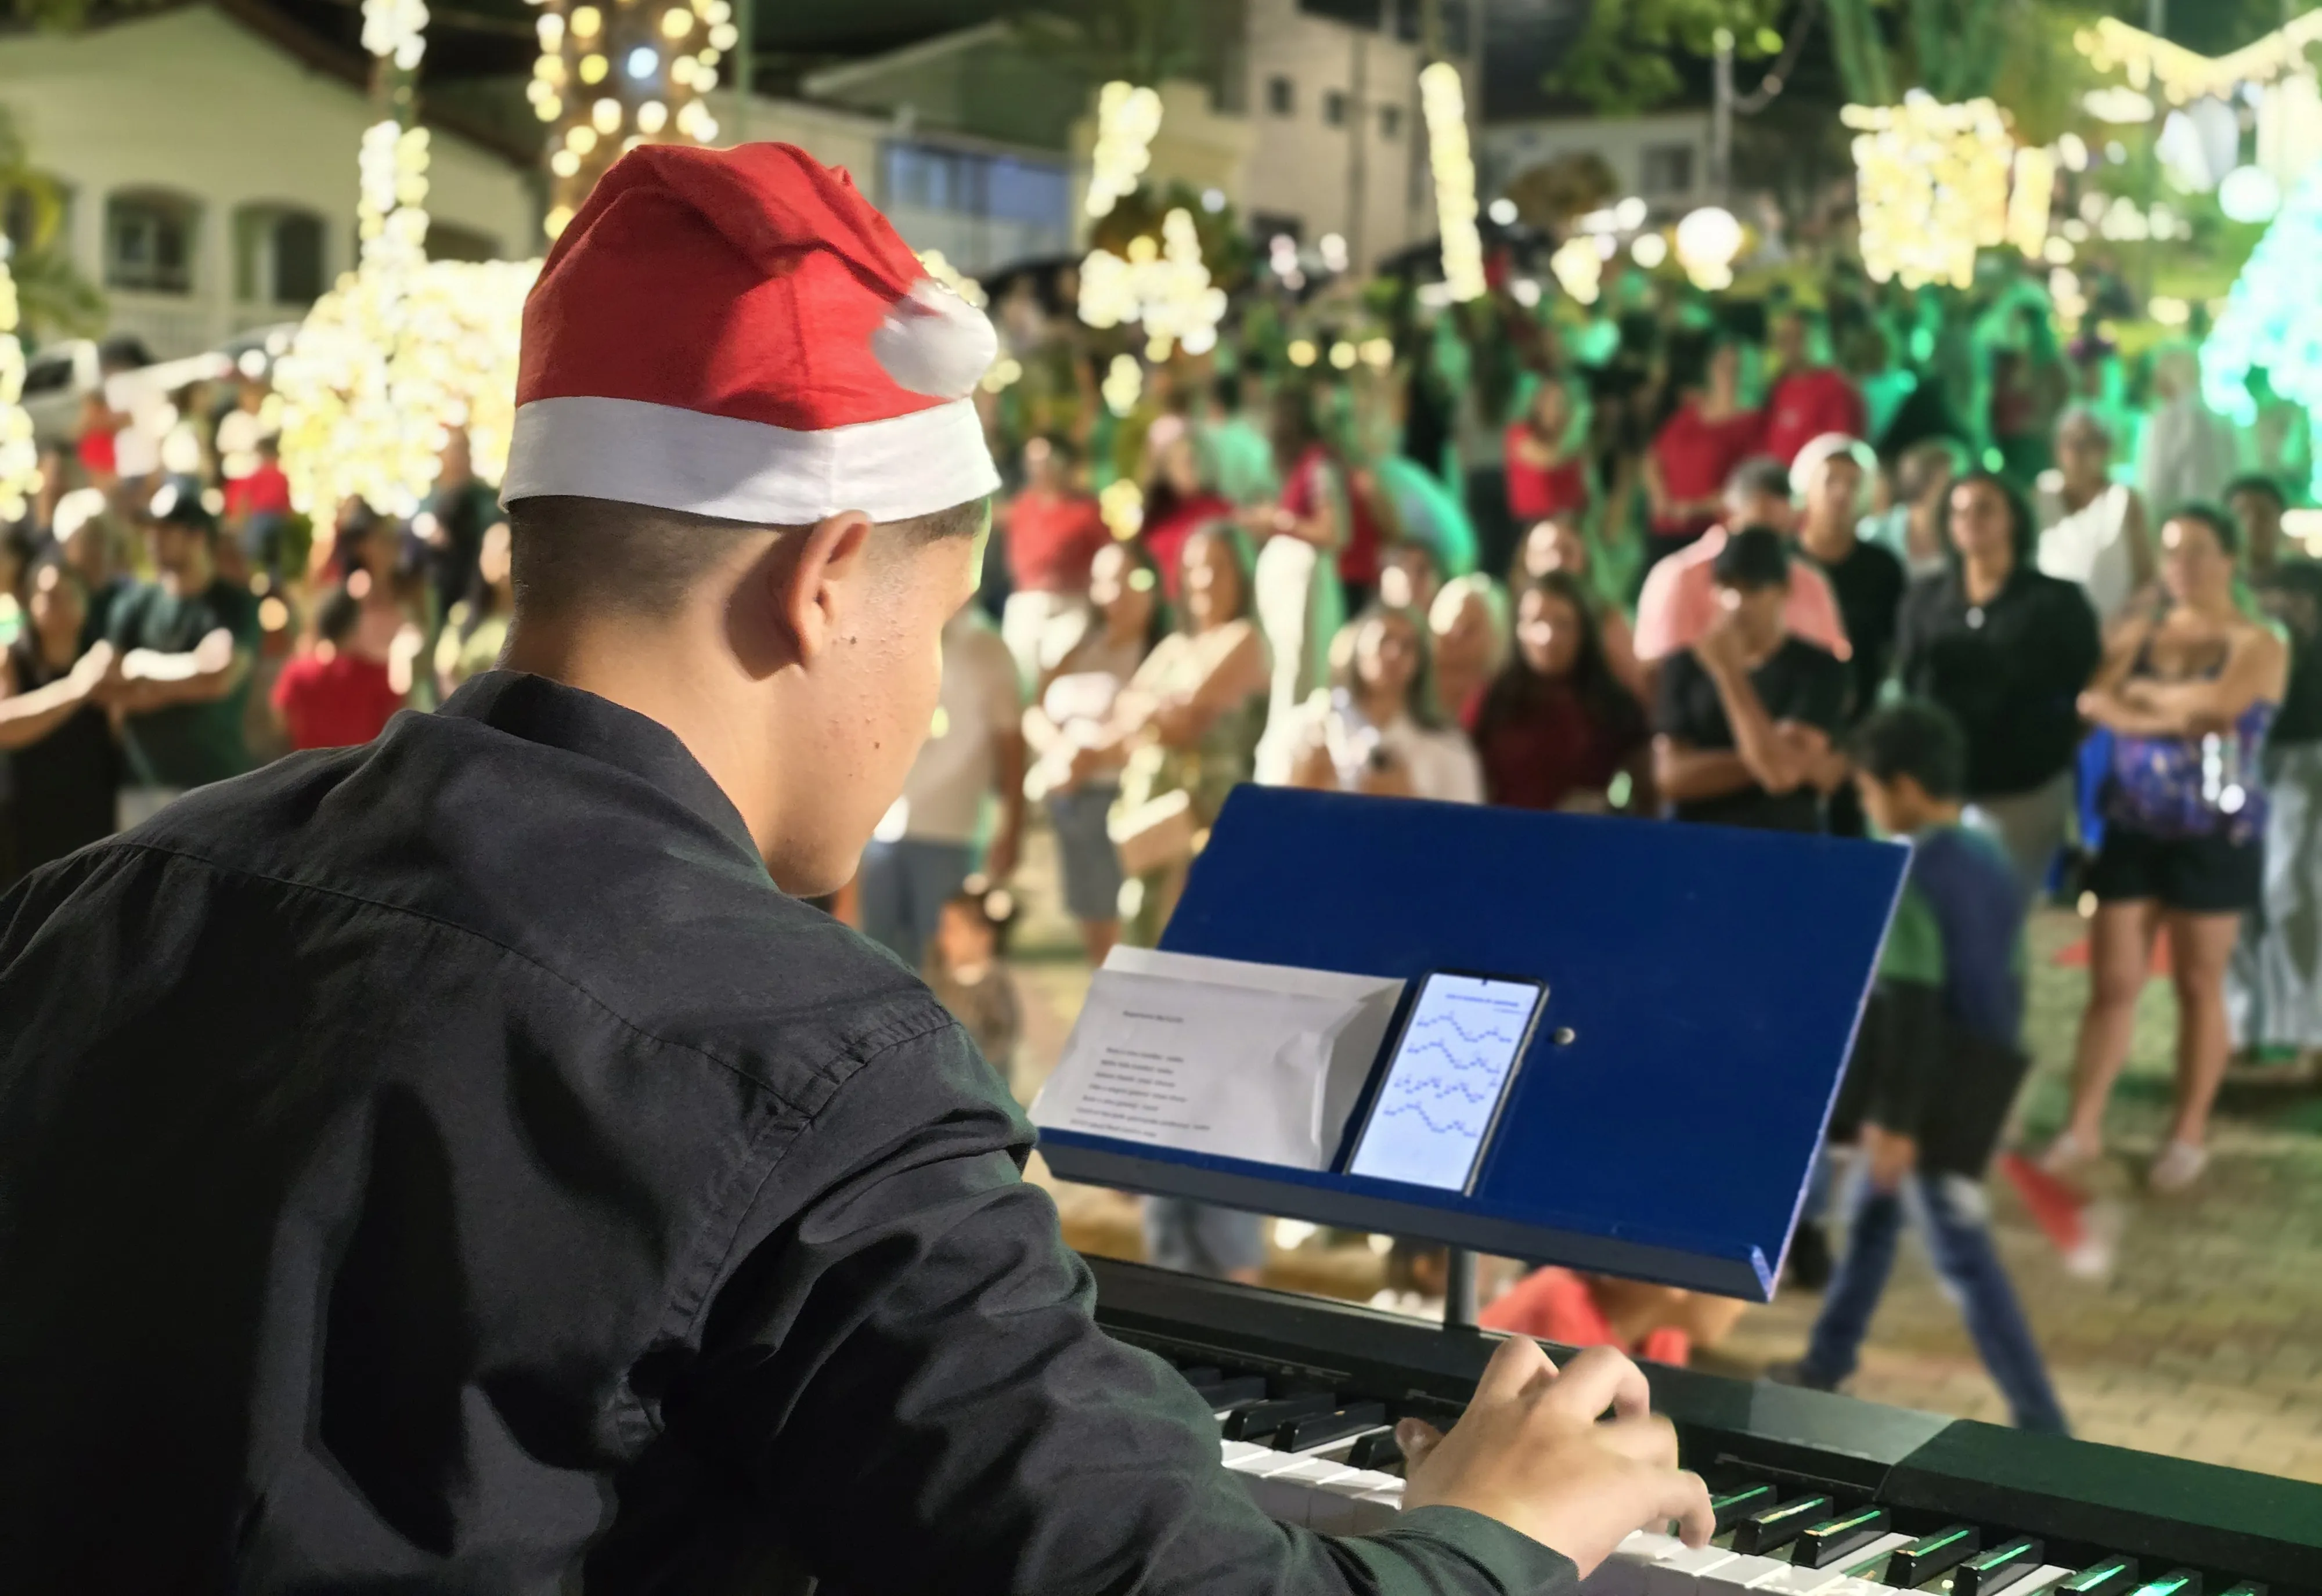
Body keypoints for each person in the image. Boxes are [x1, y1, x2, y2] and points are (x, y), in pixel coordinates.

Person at [0, 143, 1712, 1591]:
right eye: (946, 619)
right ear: (824, 580)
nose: (934, 697)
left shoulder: (103, 899)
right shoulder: (813, 1057)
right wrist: (1486, 1531)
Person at [1771, 700, 2069, 1434]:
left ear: (1902, 787)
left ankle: (2041, 1418)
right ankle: (1827, 1357)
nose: (1866, 803)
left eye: (1868, 789)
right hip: (1981, 1068)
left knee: (1960, 1250)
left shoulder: (1911, 872)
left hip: (1931, 1094)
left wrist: (1896, 1119)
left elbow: (1910, 1002)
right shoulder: (1987, 852)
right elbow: (2011, 971)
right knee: (1874, 1220)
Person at [2050, 505, 2289, 1193]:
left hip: (2215, 829)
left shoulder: (2258, 639)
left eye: (2197, 551)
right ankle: (2082, 1124)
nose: (2181, 566)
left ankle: (2187, 1132)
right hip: (2133, 822)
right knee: (2112, 980)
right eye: (2172, 551)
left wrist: (2137, 700)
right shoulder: (2141, 631)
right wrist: (2162, 706)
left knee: (2196, 981)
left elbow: (2218, 709)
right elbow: (2094, 701)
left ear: (2229, 559)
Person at [1894, 472, 2102, 910]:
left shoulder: (2055, 601)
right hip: (1940, 790)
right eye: (1959, 511)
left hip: (2023, 787)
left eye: (1985, 509)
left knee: (1994, 915)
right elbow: (1911, 687)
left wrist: (2054, 744)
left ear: (2014, 519)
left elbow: (2087, 687)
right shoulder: (1923, 601)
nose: (1971, 520)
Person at [859, 601, 1026, 974]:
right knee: (876, 954)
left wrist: (1014, 827)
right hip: (884, 829)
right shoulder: (895, 633)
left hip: (952, 832)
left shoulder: (987, 648)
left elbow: (1012, 745)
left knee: (940, 961)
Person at [1653, 528, 1850, 833]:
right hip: (1699, 838)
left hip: (1784, 840)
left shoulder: (1819, 669)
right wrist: (1794, 762)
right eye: (1726, 586)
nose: (1737, 602)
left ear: (1783, 591)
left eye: (1752, 588)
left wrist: (1729, 673)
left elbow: (1779, 774)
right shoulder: (1684, 665)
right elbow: (1671, 777)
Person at [1023, 539, 1161, 964]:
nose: (1116, 592)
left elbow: (1148, 725)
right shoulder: (1078, 646)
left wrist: (1091, 758)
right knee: (1091, 927)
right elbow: (1035, 711)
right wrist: (1061, 751)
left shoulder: (1158, 652)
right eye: (1105, 581)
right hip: (1069, 802)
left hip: (1118, 801)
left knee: (1122, 931)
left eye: (1127, 579)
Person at [2224, 475, 2322, 1066]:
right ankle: (2241, 1025)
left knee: (2291, 885)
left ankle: (2309, 1027)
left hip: (2304, 742)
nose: (2253, 524)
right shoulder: (2216, 585)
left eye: (2263, 512)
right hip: (2232, 747)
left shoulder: (2310, 579)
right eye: (2242, 512)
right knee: (2233, 888)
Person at [103, 481, 264, 827]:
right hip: (144, 792)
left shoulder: (235, 605)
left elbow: (219, 679)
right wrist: (191, 669)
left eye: (165, 529)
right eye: (150, 529)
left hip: (219, 789)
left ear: (198, 535)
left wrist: (141, 670)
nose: (152, 538)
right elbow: (108, 685)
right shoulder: (133, 606)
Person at [1634, 457, 1851, 673]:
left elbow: (1833, 670)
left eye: (1779, 533)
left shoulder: (1810, 583)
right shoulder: (1680, 577)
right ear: (1729, 514)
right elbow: (1662, 676)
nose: (1766, 547)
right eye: (1759, 531)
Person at [1470, 572, 1652, 814]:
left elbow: (1649, 793)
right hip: (1502, 831)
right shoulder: (1493, 701)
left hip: (1581, 834)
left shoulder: (1611, 704)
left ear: (1583, 631)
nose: (1548, 637)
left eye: (1563, 624)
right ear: (1517, 629)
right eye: (1535, 621)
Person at [1248, 388, 1349, 784]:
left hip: (1310, 595)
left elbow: (1334, 531)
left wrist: (1278, 521)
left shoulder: (1319, 466)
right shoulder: (1302, 470)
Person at [1285, 605, 1483, 804]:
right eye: (1384, 640)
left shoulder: (1447, 746)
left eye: (1407, 646)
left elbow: (1468, 821)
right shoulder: (1303, 730)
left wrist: (1408, 805)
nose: (1394, 653)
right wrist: (1301, 787)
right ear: (1357, 647)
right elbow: (1270, 809)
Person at [0, 556, 118, 886]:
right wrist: (76, 688)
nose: (59, 605)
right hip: (25, 819)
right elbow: (5, 725)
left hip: (89, 816)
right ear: (31, 602)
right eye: (49, 595)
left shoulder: (100, 660)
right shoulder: (13, 658)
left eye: (69, 595)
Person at [998, 432, 1108, 685]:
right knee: (1021, 679)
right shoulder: (1023, 506)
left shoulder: (1086, 509)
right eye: (1032, 461)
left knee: (1059, 675)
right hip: (1026, 606)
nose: (1039, 468)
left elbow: (1106, 556)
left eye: (1046, 460)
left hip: (1070, 606)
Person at [1644, 336, 1765, 557]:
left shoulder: (1752, 424)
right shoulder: (1688, 415)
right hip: (1666, 529)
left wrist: (1694, 509)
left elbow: (1748, 485)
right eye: (1721, 365)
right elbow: (1654, 456)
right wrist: (1660, 498)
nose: (1727, 373)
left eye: (1735, 368)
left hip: (1712, 535)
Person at [2036, 408, 2152, 625]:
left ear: (2105, 448)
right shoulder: (2042, 494)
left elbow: (2147, 578)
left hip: (2109, 628)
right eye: (2069, 442)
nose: (2077, 452)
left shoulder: (2123, 499)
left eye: (2087, 443)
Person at [1516, 515, 1646, 702]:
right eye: (1545, 553)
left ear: (1585, 559)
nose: (1557, 563)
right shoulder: (1506, 617)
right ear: (1527, 561)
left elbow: (1635, 689)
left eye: (1567, 552)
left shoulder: (1608, 620)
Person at [270, 584, 409, 751]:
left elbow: (282, 720)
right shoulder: (375, 674)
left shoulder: (296, 672)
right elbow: (396, 720)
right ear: (354, 625)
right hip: (362, 764)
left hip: (312, 763)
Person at [924, 886, 1023, 1097]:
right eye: (943, 928)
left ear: (982, 937)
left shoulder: (995, 985)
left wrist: (978, 1067)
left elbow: (1003, 1035)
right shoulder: (938, 978)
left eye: (952, 930)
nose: (943, 937)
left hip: (983, 1085)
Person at [1762, 308, 1869, 468]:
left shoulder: (1835, 388)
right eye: (1782, 338)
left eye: (1796, 337)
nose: (1786, 345)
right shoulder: (1778, 387)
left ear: (1816, 339)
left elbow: (1838, 450)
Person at [1138, 428, 1233, 605]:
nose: (1188, 468)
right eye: (1179, 463)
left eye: (1191, 461)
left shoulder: (1219, 509)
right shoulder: (1155, 524)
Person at [2140, 344, 2236, 515]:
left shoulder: (2165, 421)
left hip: (2182, 520)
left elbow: (2156, 487)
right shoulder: (2225, 423)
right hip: (2220, 520)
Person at [1859, 437, 1966, 581]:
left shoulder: (1960, 532)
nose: (1959, 490)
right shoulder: (1874, 533)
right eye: (1951, 482)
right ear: (1923, 482)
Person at [433, 518, 514, 699]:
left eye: (507, 550)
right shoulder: (463, 615)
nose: (500, 559)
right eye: (491, 551)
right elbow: (445, 673)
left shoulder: (531, 620)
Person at [1503, 375, 1592, 529]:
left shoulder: (1576, 448)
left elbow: (1584, 500)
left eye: (1560, 404)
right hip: (1519, 528)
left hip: (1565, 528)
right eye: (1547, 401)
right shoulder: (1515, 436)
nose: (1552, 409)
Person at [1428, 573, 1510, 725]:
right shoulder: (1413, 689)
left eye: (1470, 629)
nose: (1457, 635)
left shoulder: (1504, 702)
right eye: (1452, 624)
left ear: (1496, 637)